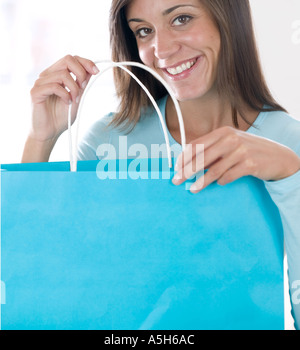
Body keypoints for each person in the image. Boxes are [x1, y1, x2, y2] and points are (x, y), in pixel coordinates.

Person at [22, 0, 300, 329]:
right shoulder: (110, 139)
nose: (162, 49)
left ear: (228, 20)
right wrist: (41, 139)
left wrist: (291, 174)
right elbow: (37, 274)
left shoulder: (288, 142)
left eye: (181, 18)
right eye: (144, 30)